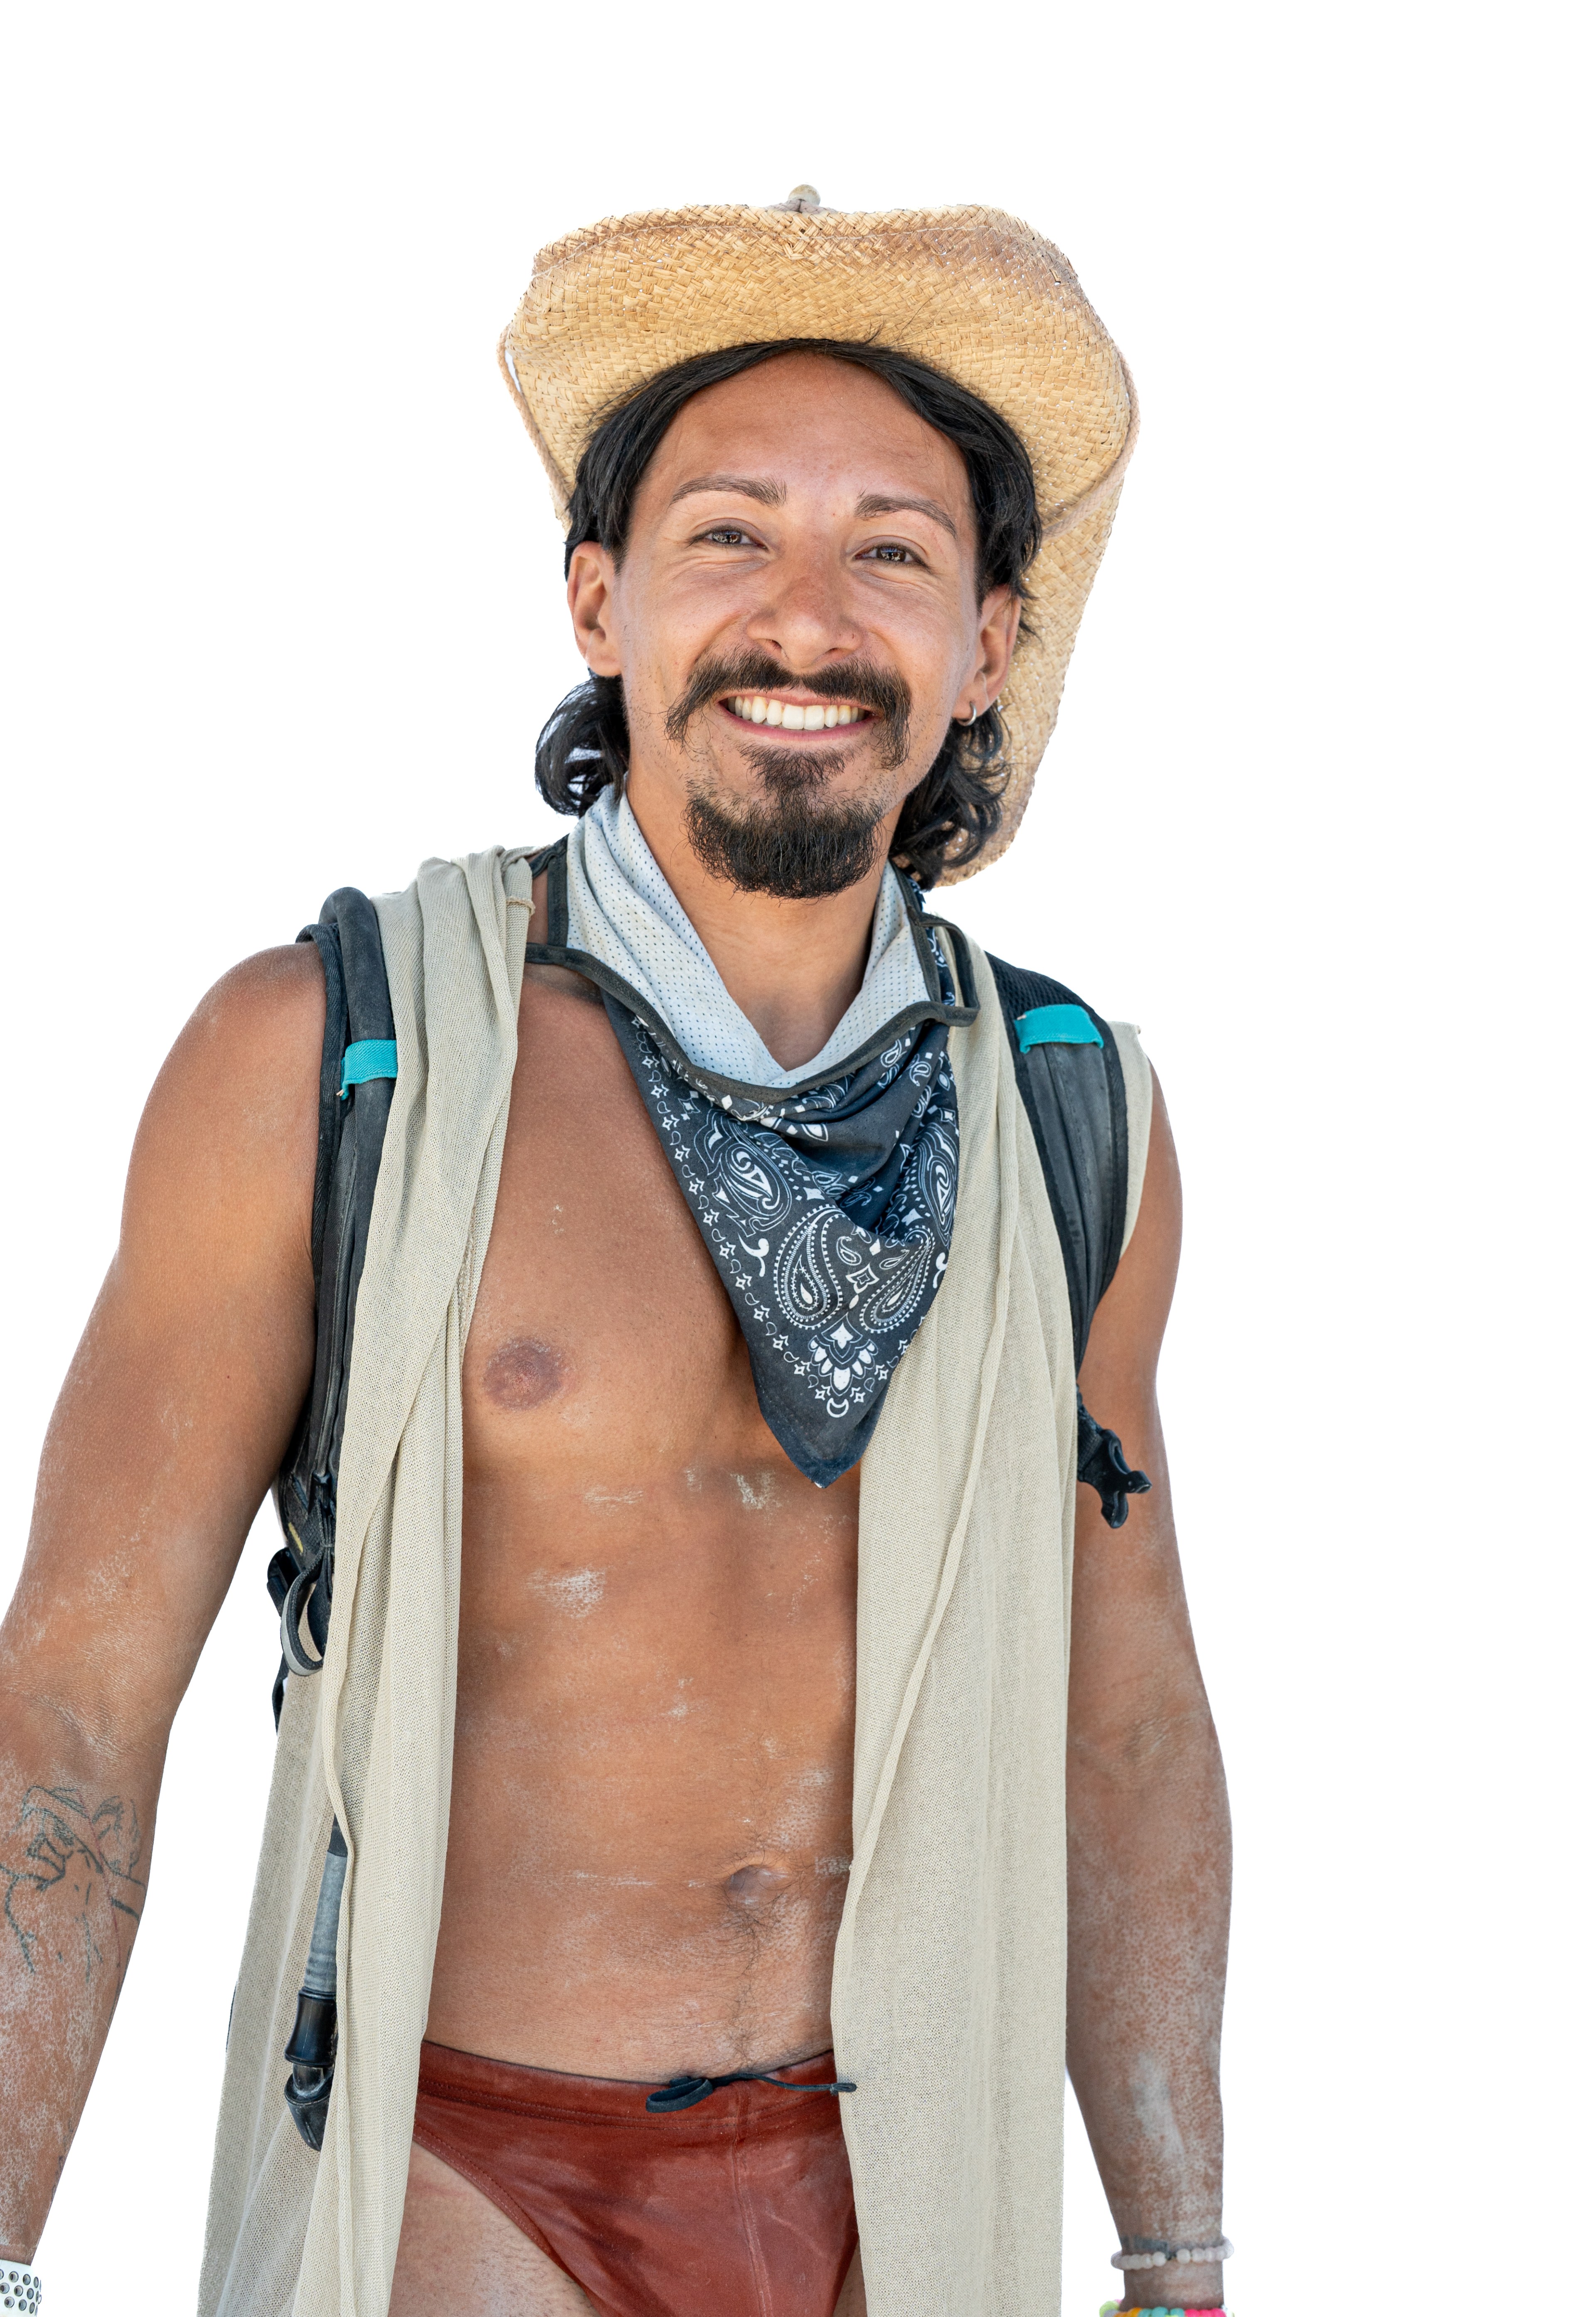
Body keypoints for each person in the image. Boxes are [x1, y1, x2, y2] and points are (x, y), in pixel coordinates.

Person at [0, 195, 1232, 2317]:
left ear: (988, 646)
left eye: (896, 553)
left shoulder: (1073, 1118)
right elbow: (74, 1721)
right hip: (453, 2173)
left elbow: (1123, 1722)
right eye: (731, 534)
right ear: (600, 599)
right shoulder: (328, 1054)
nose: (808, 616)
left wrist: (1184, 2250)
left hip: (906, 2195)